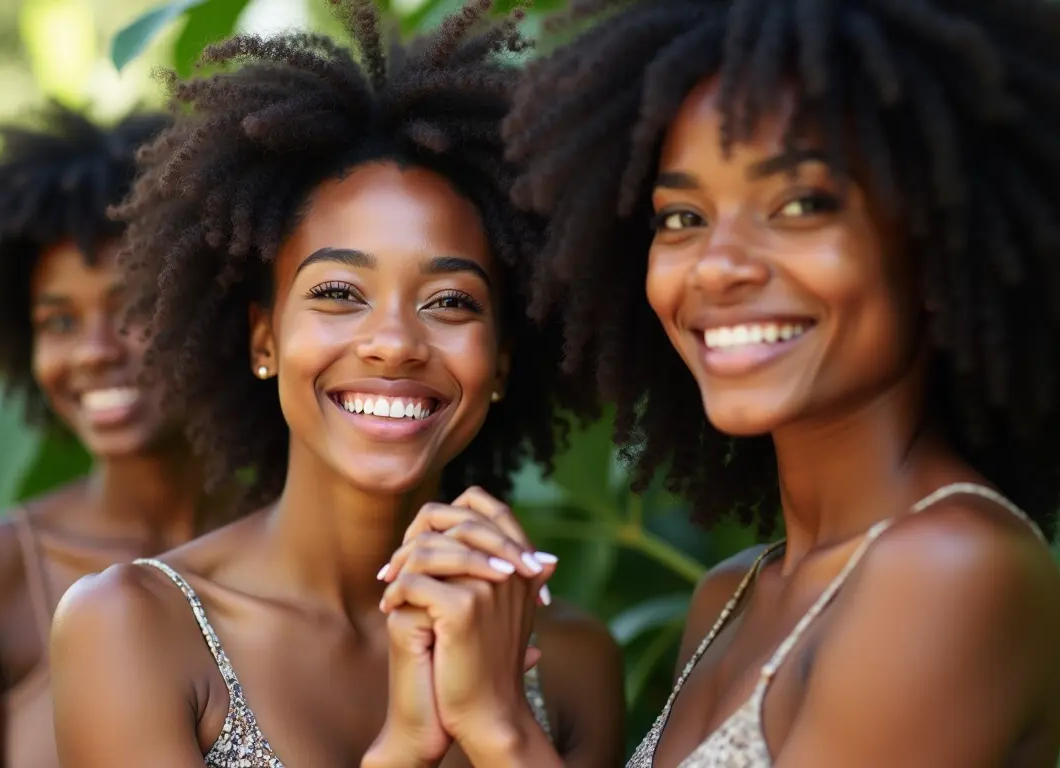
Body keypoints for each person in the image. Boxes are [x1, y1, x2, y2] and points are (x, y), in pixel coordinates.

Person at [379, 0, 1060, 765]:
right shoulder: (730, 596)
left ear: (940, 241)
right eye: (681, 218)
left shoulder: (953, 570)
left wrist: (501, 726)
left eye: (800, 205)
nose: (717, 264)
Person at [47, 2, 626, 766]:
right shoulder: (133, 626)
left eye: (450, 302)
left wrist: (502, 730)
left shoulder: (571, 662)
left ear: (505, 361)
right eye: (338, 294)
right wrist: (408, 747)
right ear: (264, 337)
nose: (392, 343)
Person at [0, 103, 237, 768]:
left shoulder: (317, 547)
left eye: (134, 310)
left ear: (217, 307)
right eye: (58, 323)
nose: (92, 352)